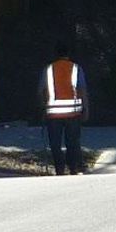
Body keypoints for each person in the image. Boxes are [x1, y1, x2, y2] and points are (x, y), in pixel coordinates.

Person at [42, 41, 88, 175]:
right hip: (73, 113)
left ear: (55, 54)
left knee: (55, 144)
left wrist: (42, 109)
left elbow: (41, 91)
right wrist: (86, 109)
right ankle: (73, 168)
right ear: (68, 54)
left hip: (53, 114)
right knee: (72, 142)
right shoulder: (76, 68)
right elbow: (82, 90)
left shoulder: (48, 69)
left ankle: (59, 169)